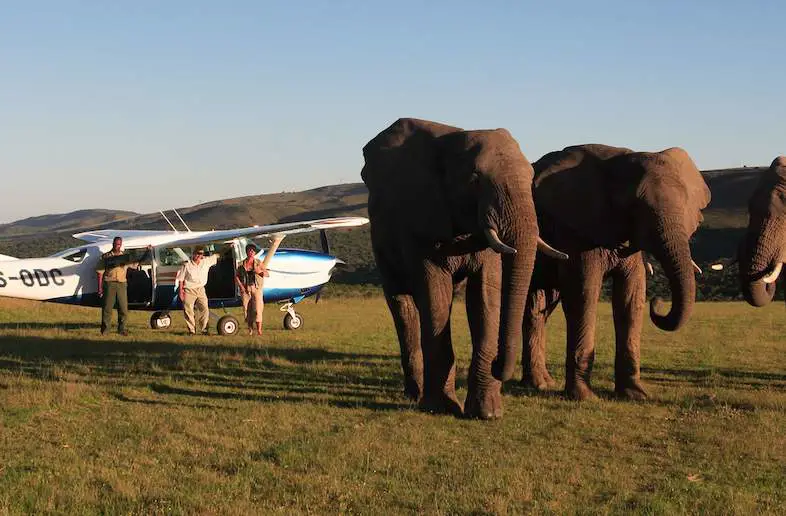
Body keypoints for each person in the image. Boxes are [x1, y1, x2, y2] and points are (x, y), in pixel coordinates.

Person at [95, 237, 151, 335]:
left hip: (122, 284)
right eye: (116, 244)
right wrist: (100, 288)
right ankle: (105, 330)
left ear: (121, 245)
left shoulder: (125, 257)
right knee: (107, 308)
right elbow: (100, 272)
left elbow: (137, 263)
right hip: (109, 283)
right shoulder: (106, 257)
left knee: (123, 308)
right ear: (113, 244)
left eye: (119, 244)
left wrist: (147, 252)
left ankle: (122, 329)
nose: (118, 246)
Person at [176, 246, 220, 335]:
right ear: (193, 254)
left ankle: (204, 329)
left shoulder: (206, 261)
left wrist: (228, 247)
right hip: (189, 289)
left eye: (201, 254)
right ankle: (191, 330)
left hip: (201, 289)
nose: (199, 256)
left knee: (204, 308)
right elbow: (181, 279)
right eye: (198, 253)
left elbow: (218, 255)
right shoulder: (187, 265)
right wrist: (181, 291)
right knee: (188, 310)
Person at [235, 243, 269, 335]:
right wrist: (241, 287)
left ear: (254, 253)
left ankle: (259, 330)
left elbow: (267, 274)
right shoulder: (241, 264)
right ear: (246, 252)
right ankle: (250, 330)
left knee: (258, 309)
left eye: (252, 251)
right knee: (247, 310)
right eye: (249, 250)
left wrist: (259, 272)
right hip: (245, 289)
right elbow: (237, 276)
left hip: (256, 288)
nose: (251, 252)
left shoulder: (258, 262)